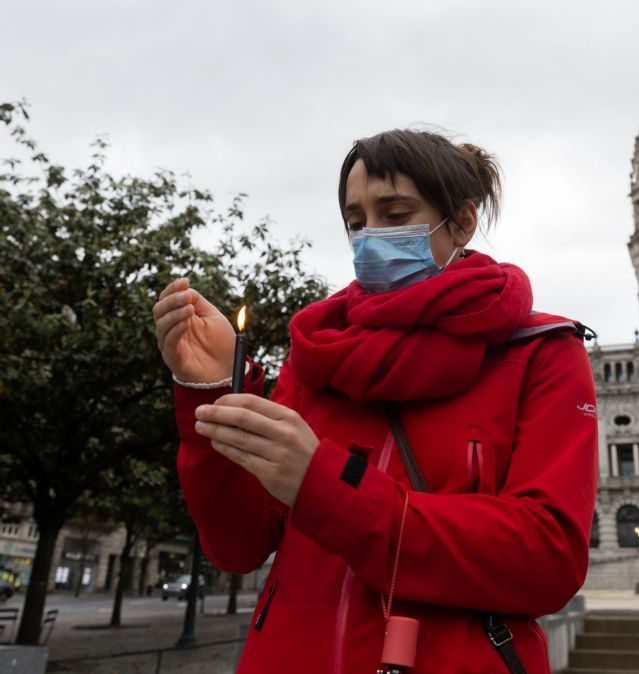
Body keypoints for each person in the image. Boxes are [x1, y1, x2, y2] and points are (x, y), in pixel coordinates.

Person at [152, 129, 598, 674]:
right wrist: (213, 393)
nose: (370, 237)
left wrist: (325, 484)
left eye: (394, 214)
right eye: (356, 221)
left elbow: (546, 559)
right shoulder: (317, 356)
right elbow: (238, 547)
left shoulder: (541, 352)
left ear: (461, 222)